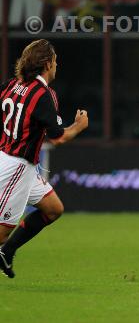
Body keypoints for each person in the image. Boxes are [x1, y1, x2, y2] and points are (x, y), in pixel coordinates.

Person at [0, 39, 88, 278]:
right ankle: (4, 246)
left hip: (11, 159)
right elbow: (58, 138)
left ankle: (7, 252)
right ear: (48, 64)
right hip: (17, 166)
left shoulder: (11, 85)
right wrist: (79, 126)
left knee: (52, 209)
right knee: (3, 229)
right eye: (56, 61)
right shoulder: (43, 94)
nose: (57, 65)